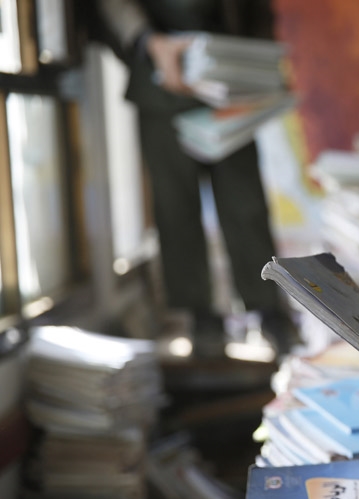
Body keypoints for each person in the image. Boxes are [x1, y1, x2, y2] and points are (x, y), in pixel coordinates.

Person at [93, 0, 298, 357]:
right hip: (161, 79)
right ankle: (200, 318)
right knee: (176, 208)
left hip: (228, 75)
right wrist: (149, 41)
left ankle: (267, 309)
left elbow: (258, 13)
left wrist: (262, 66)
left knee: (245, 203)